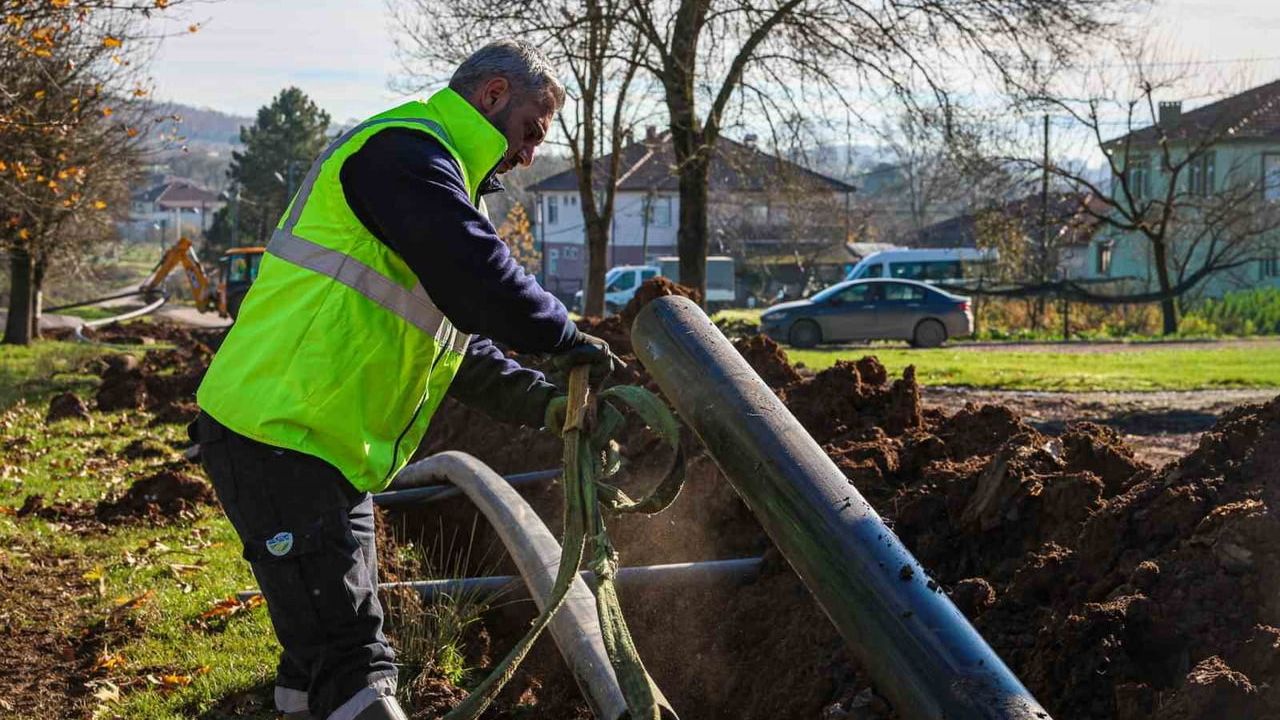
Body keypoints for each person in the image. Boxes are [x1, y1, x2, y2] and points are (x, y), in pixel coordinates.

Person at [190, 39, 615, 720]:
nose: (531, 155)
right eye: (532, 130)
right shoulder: (405, 153)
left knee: (318, 663)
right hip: (279, 438)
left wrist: (546, 404)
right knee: (356, 665)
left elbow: (453, 346)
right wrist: (566, 341)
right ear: (495, 94)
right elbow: (480, 277)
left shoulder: (433, 184)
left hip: (316, 450)